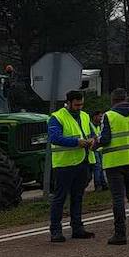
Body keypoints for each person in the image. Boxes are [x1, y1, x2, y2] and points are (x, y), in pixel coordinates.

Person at [97, 88, 129, 245]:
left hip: (114, 162)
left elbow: (105, 139)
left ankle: (120, 234)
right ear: (127, 98)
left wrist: (95, 142)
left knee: (118, 198)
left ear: (113, 100)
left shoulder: (109, 116)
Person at [47, 90, 96, 243]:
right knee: (59, 198)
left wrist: (93, 140)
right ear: (68, 103)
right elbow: (54, 138)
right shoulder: (57, 117)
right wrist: (76, 142)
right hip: (64, 164)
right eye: (76, 105)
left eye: (81, 104)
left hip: (82, 161)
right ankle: (55, 230)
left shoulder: (85, 115)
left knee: (78, 197)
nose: (79, 107)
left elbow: (93, 133)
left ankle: (77, 228)